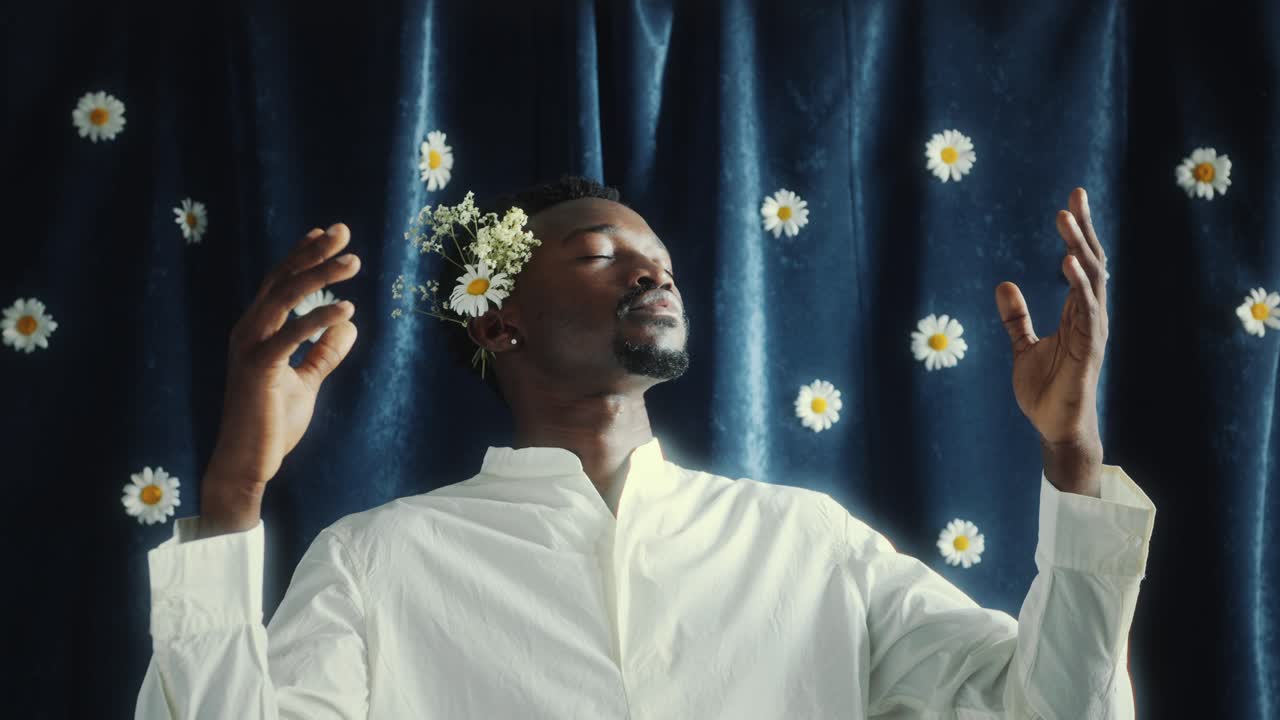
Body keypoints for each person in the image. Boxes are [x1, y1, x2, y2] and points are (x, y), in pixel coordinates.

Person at [135, 176, 1155, 718]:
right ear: (498, 323)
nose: (649, 273)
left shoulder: (807, 544)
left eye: (658, 261)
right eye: (598, 254)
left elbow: (1057, 712)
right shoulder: (378, 561)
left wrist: (1070, 454)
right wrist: (234, 488)